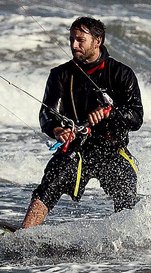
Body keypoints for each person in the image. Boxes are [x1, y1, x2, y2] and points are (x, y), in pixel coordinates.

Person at [21, 16, 143, 228]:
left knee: (126, 190)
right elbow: (46, 114)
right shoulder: (60, 75)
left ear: (97, 41)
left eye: (80, 40)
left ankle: (129, 240)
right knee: (50, 182)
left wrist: (109, 114)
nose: (73, 45)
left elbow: (136, 118)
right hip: (76, 148)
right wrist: (57, 129)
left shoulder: (122, 74)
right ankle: (24, 234)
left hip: (112, 150)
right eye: (71, 39)